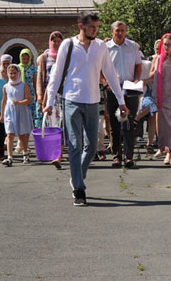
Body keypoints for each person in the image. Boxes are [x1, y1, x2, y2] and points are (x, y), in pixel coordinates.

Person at [44, 12, 128, 206]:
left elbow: (110, 74)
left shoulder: (100, 46)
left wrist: (121, 100)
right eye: (92, 27)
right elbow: (56, 74)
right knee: (75, 145)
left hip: (92, 101)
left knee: (91, 147)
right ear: (81, 26)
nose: (95, 30)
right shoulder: (68, 45)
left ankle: (77, 176)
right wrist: (49, 101)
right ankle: (79, 190)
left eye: (97, 27)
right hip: (71, 100)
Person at [105, 21, 143, 169]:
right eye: (117, 31)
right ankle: (116, 156)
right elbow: (100, 68)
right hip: (112, 89)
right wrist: (105, 83)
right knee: (114, 123)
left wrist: (137, 79)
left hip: (129, 88)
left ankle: (128, 156)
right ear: (112, 32)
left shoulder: (133, 46)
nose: (120, 33)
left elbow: (138, 65)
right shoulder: (106, 48)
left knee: (129, 123)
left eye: (122, 30)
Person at [150, 33, 171, 167]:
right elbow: (156, 78)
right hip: (162, 97)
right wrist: (155, 97)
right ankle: (168, 152)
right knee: (164, 127)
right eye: (164, 45)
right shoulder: (159, 59)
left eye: (169, 45)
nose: (166, 47)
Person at [0, 64, 35, 166]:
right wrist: (2, 113)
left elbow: (29, 99)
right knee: (10, 134)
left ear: (18, 73)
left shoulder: (23, 85)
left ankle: (25, 153)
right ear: (7, 74)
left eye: (15, 73)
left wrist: (19, 103)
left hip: (21, 110)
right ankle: (10, 157)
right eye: (10, 73)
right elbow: (4, 100)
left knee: (21, 133)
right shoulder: (6, 86)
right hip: (9, 111)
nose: (13, 75)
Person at [18, 48, 39, 128]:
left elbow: (35, 82)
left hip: (30, 91)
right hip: (20, 90)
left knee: (30, 110)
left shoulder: (32, 68)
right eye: (23, 58)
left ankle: (31, 127)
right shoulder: (18, 67)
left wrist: (36, 93)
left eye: (27, 58)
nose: (25, 60)